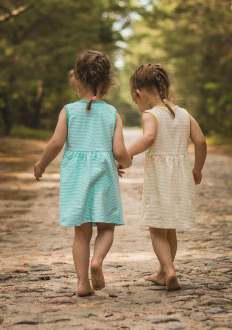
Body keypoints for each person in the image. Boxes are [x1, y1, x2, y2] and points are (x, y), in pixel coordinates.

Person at [33, 50, 132, 296]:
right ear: (108, 83)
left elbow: (56, 143)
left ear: (76, 80)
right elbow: (119, 151)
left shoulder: (68, 111)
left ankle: (82, 283)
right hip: (104, 173)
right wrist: (125, 163)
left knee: (81, 232)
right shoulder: (112, 113)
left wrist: (41, 164)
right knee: (106, 228)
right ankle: (97, 261)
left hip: (76, 177)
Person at [127, 64, 207, 290]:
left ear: (139, 93)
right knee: (169, 227)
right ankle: (164, 271)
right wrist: (197, 169)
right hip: (181, 177)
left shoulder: (150, 115)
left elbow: (149, 138)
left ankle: (169, 270)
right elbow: (200, 141)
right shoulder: (184, 114)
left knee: (156, 228)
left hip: (160, 179)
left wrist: (126, 154)